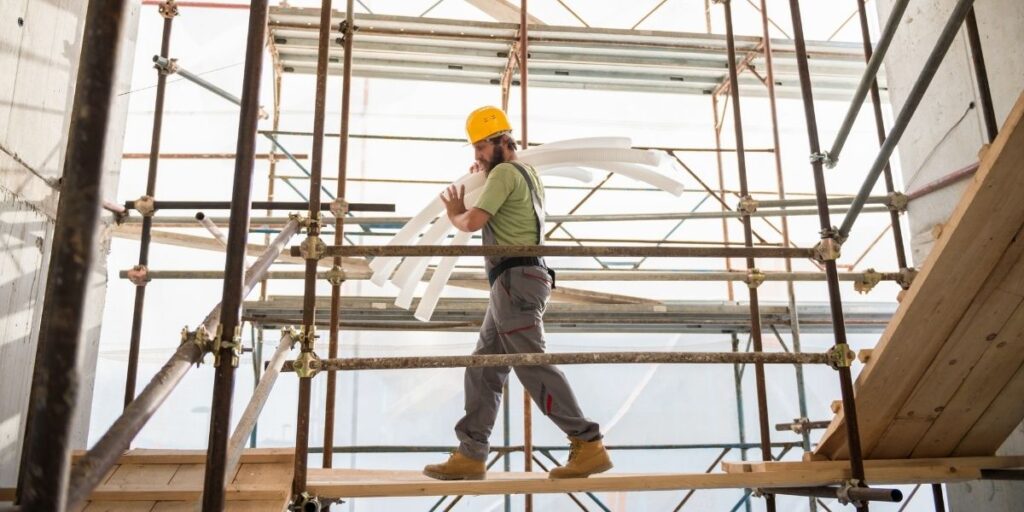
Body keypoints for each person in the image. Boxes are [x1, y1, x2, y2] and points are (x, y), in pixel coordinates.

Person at [422, 106, 612, 481]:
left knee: (530, 363)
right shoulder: (524, 173)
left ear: (500, 141)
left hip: (516, 281)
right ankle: (471, 454)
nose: (475, 156)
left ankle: (587, 442)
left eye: (480, 147)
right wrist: (485, 175)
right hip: (513, 282)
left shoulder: (506, 173)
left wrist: (454, 212)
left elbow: (473, 222)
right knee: (482, 369)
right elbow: (504, 200)